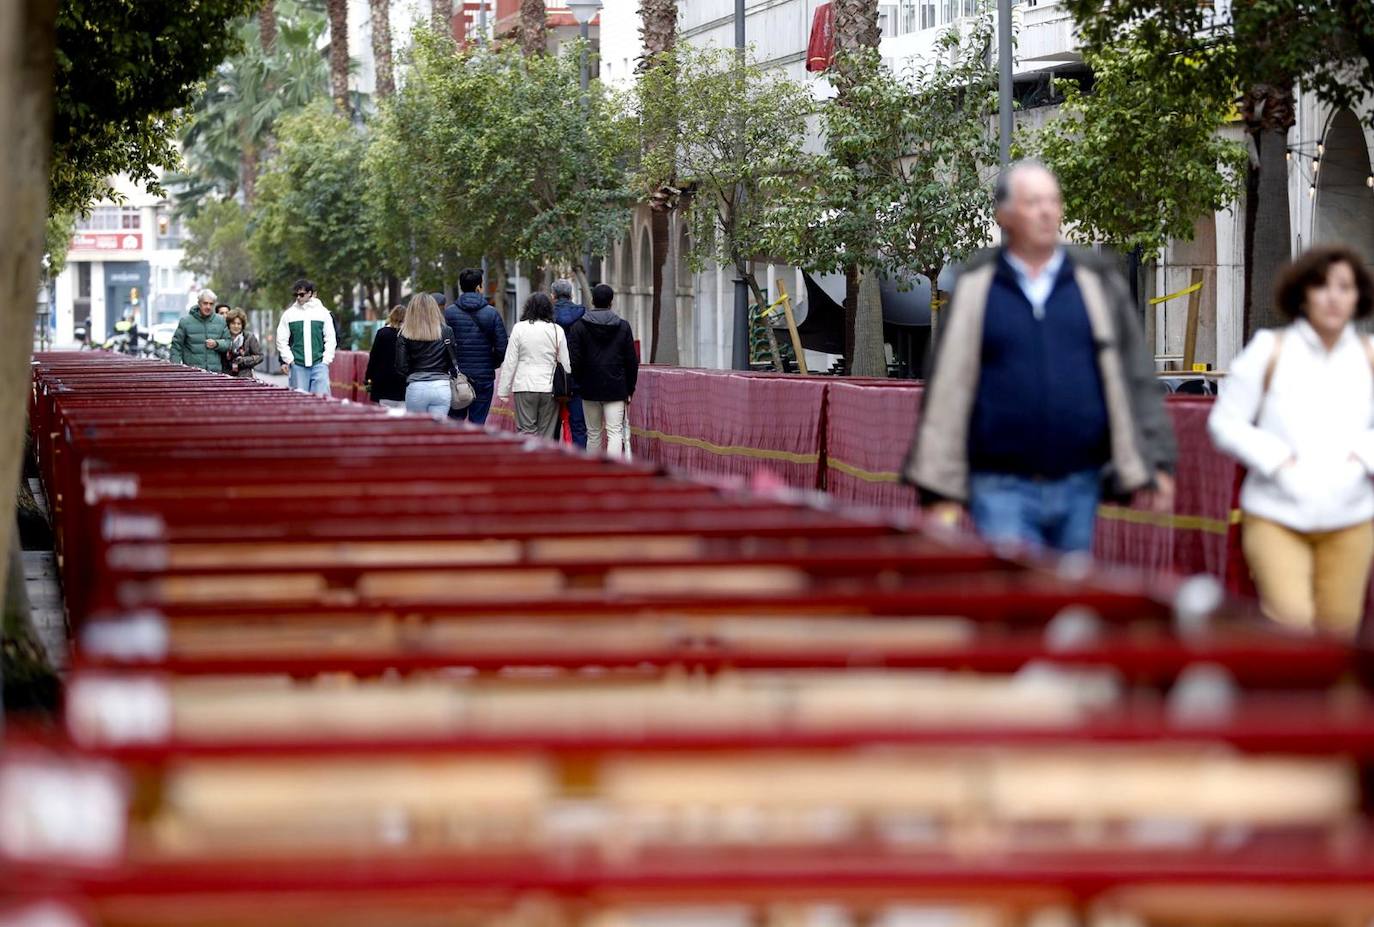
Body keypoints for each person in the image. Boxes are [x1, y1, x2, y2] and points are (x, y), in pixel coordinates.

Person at [901, 161, 1176, 554]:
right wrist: (937, 486)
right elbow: (948, 386)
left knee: (1066, 600)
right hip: (999, 483)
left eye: (1053, 201)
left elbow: (1133, 373)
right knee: (1017, 595)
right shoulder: (978, 288)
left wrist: (1157, 460)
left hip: (1080, 480)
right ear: (1005, 216)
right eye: (1033, 202)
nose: (1047, 211)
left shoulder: (1094, 284)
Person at [1208, 247, 1374, 635]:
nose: (1333, 297)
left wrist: (1362, 458)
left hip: (1351, 516)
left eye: (1344, 287)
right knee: (1292, 625)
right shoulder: (1270, 349)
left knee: (1339, 637)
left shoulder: (1368, 356)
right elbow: (1225, 423)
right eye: (1321, 286)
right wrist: (1277, 460)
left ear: (1358, 297)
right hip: (1276, 514)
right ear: (1302, 294)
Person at [569, 284, 639, 457]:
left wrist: (579, 381)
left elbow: (574, 360)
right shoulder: (623, 327)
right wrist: (630, 388)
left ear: (592, 301)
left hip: (589, 387)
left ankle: (593, 470)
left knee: (593, 433)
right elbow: (631, 361)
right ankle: (612, 471)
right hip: (616, 387)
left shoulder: (579, 327)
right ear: (611, 302)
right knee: (614, 431)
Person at [497, 292, 571, 438]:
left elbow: (510, 361)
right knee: (547, 435)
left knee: (526, 432)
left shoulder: (519, 328)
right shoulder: (557, 330)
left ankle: (528, 460)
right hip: (549, 388)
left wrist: (503, 390)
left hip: (524, 385)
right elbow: (566, 364)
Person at [444, 268, 508, 425]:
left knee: (454, 423)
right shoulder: (492, 314)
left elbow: (442, 344)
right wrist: (490, 364)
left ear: (461, 287)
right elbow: (501, 347)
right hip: (483, 378)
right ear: (479, 287)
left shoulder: (449, 314)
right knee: (478, 423)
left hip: (456, 377)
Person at [395, 293, 456, 421]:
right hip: (441, 386)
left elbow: (401, 367)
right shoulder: (446, 331)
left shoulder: (405, 333)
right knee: (438, 433)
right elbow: (453, 360)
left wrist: (411, 374)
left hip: (416, 387)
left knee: (416, 432)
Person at [276, 279, 337, 396]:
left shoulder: (323, 313)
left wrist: (326, 360)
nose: (298, 297)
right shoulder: (289, 314)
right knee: (299, 400)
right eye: (296, 295)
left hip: (319, 363)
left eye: (302, 294)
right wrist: (290, 359)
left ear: (310, 293)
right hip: (298, 365)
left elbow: (330, 338)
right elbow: (281, 340)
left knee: (321, 400)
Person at [552, 279, 588, 447]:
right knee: (579, 425)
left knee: (551, 425)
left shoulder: (546, 315)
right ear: (571, 294)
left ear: (553, 296)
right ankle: (579, 462)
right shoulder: (583, 315)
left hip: (551, 377)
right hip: (578, 376)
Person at [169, 288, 233, 373]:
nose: (208, 307)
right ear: (199, 303)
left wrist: (217, 344)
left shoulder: (221, 321)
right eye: (205, 303)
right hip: (192, 374)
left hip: (215, 374)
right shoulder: (185, 322)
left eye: (211, 304)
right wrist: (176, 369)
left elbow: (228, 343)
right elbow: (176, 347)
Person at [366, 305, 408, 408]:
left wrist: (368, 379)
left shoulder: (382, 333)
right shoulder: (409, 335)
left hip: (384, 384)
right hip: (404, 385)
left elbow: (374, 358)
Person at [222, 308, 263, 379]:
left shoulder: (249, 337)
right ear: (229, 324)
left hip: (245, 377)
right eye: (233, 323)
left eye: (239, 324)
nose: (236, 326)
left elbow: (260, 356)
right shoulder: (223, 336)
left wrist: (244, 360)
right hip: (226, 377)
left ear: (242, 325)